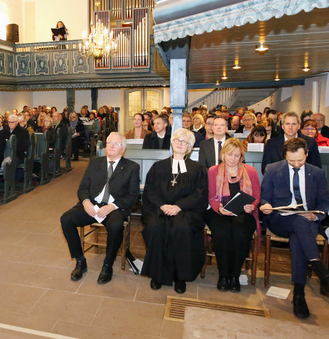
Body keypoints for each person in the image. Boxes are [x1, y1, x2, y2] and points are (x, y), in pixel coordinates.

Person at [260, 138, 329, 319]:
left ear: (307, 154)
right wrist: (265, 205)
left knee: (299, 234)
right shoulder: (273, 169)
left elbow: (324, 202)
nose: (296, 164)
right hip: (280, 219)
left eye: (300, 160)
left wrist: (315, 215)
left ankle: (299, 294)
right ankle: (319, 270)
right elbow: (265, 197)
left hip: (308, 221)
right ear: (286, 156)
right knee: (299, 224)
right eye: (292, 161)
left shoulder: (317, 173)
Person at [60, 132, 140, 284]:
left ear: (122, 149)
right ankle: (80, 261)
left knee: (116, 226)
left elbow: (133, 196)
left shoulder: (131, 167)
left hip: (114, 208)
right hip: (92, 205)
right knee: (66, 219)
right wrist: (86, 202)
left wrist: (112, 206)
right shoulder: (95, 163)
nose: (111, 145)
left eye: (115, 143)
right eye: (109, 142)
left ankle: (107, 265)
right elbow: (82, 188)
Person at [141, 128, 208, 294]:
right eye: (177, 140)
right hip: (159, 209)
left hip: (186, 211)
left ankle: (180, 276)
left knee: (181, 228)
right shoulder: (158, 167)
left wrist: (179, 206)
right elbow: (149, 190)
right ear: (172, 143)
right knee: (155, 227)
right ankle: (158, 274)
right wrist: (162, 206)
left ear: (189, 147)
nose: (179, 143)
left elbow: (200, 193)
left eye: (184, 142)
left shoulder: (197, 169)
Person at [206, 138, 260, 292]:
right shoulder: (213, 171)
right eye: (230, 155)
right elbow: (211, 196)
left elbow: (256, 195)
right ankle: (223, 275)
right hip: (219, 211)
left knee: (240, 232)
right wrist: (219, 207)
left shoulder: (250, 171)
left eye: (237, 155)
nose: (233, 159)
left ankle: (235, 275)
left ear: (241, 157)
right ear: (223, 155)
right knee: (222, 233)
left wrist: (252, 205)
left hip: (244, 212)